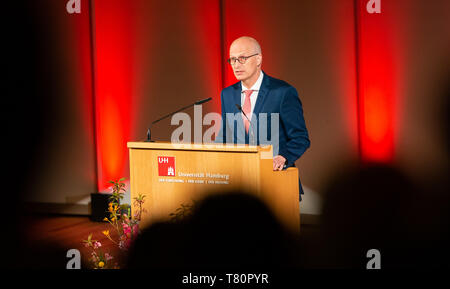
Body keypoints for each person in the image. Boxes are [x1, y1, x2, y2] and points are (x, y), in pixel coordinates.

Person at [216, 36, 310, 199]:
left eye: (242, 58)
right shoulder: (227, 94)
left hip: (276, 183)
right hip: (238, 186)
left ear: (258, 59)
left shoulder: (282, 92)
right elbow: (225, 135)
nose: (236, 65)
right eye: (232, 60)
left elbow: (300, 138)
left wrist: (283, 157)